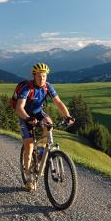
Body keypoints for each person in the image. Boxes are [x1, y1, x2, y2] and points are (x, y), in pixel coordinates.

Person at [15, 62, 74, 191]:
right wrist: (27, 118)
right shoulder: (27, 88)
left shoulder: (47, 87)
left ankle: (41, 150)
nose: (42, 79)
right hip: (25, 115)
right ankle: (28, 177)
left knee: (49, 124)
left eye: (44, 76)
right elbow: (19, 107)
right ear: (34, 76)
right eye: (39, 76)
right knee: (29, 144)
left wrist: (68, 116)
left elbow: (58, 102)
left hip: (38, 112)